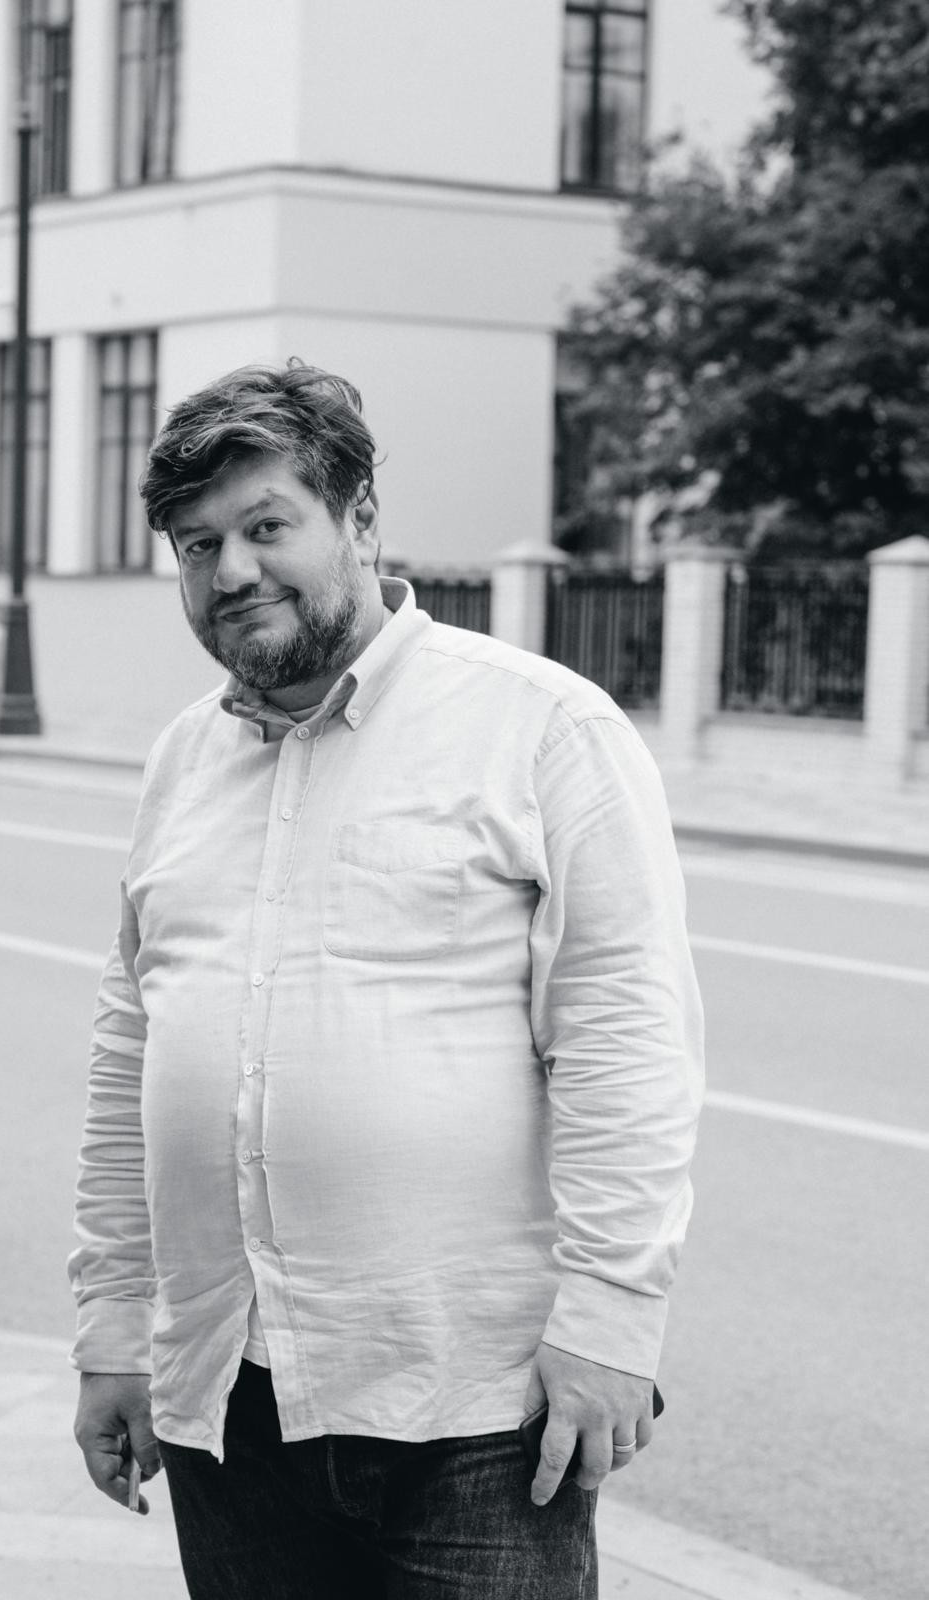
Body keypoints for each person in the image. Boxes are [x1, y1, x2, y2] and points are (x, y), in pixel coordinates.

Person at [69, 361, 704, 1599]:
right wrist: (112, 1328)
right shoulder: (182, 761)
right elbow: (128, 1060)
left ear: (360, 519)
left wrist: (612, 1321)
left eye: (266, 526)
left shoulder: (542, 729)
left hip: (474, 1417)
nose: (232, 570)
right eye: (198, 545)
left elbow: (626, 1044)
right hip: (228, 1403)